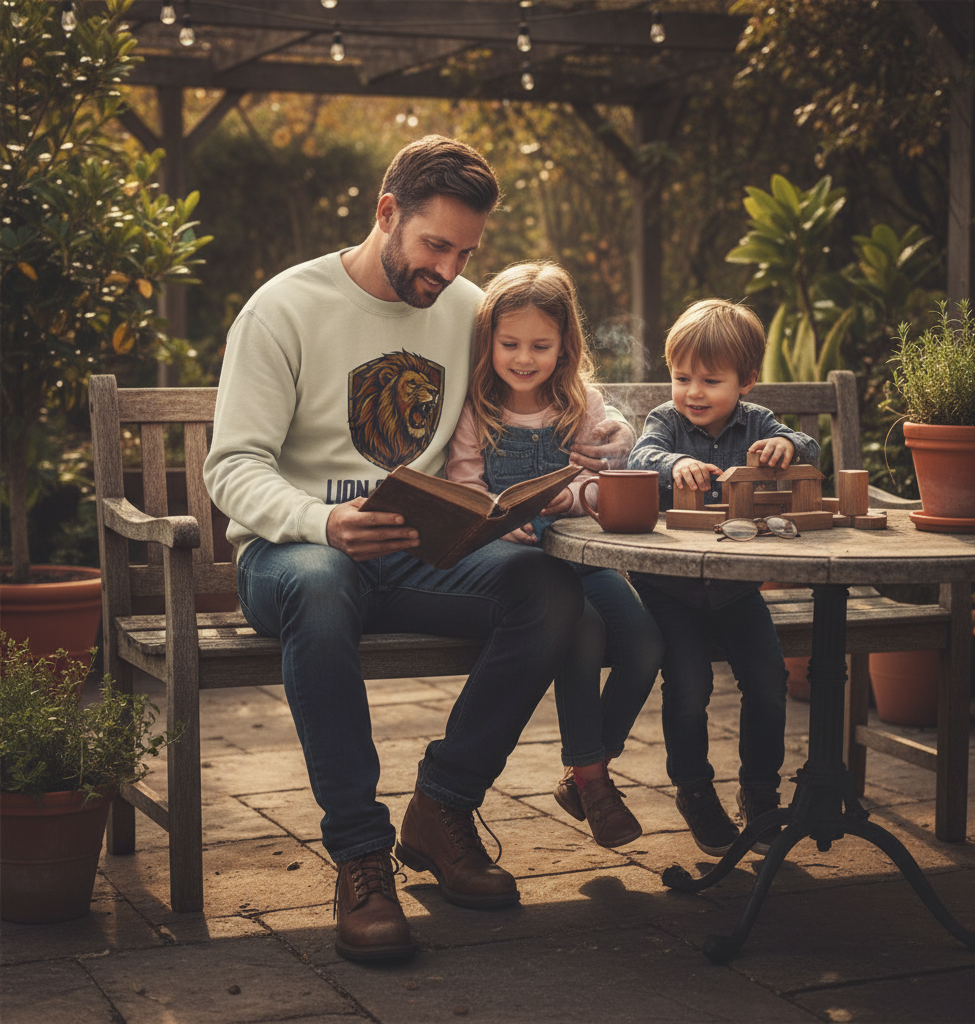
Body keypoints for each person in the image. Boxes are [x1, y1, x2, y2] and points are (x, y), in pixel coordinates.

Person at [204, 136, 634, 964]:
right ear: (386, 212)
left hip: (416, 550)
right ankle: (362, 857)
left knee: (549, 589)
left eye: (465, 251)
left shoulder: (468, 308)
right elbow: (234, 466)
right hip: (290, 556)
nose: (446, 268)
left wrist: (590, 450)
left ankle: (441, 808)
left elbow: (545, 390)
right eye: (435, 245)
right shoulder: (283, 308)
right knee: (324, 586)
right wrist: (322, 521)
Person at [445, 262, 663, 849]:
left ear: (565, 345)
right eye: (509, 343)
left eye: (540, 345)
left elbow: (608, 476)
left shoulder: (581, 403)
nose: (523, 358)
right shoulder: (477, 409)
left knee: (644, 640)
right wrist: (493, 518)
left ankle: (584, 767)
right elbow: (465, 488)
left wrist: (584, 488)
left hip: (583, 558)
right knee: (582, 633)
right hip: (522, 569)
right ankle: (593, 781)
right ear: (488, 339)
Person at [626, 299, 820, 859]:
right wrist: (670, 465)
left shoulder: (757, 423)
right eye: (681, 377)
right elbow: (641, 455)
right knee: (689, 687)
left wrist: (789, 445)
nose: (693, 392)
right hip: (670, 592)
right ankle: (694, 789)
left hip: (738, 590)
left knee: (767, 681)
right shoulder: (665, 422)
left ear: (747, 382)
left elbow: (806, 450)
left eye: (711, 380)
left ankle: (760, 792)